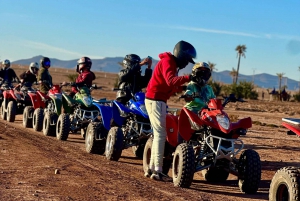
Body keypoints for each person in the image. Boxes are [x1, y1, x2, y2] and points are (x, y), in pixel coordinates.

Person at [144, 40, 197, 181]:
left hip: (155, 99)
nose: (186, 64)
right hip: (156, 100)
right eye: (186, 60)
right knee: (161, 134)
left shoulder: (170, 63)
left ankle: (152, 169)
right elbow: (171, 81)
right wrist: (188, 78)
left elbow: (171, 85)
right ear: (180, 56)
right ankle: (158, 171)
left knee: (158, 135)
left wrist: (184, 89)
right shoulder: (169, 62)